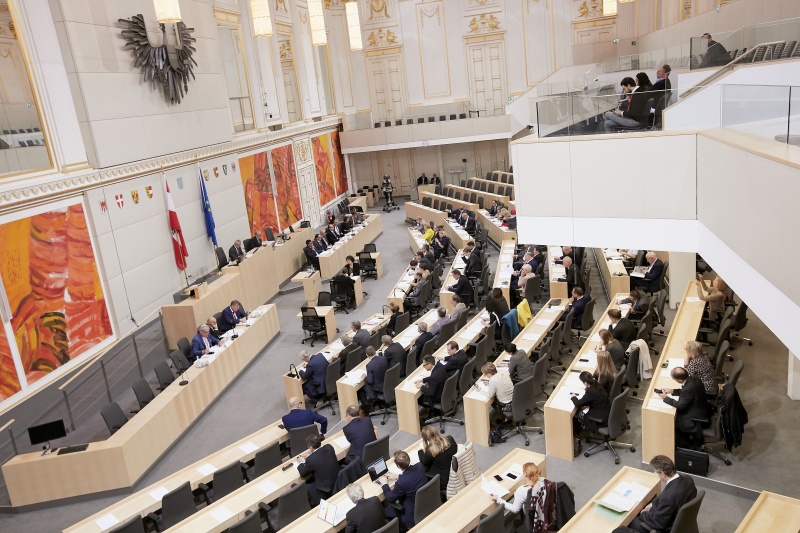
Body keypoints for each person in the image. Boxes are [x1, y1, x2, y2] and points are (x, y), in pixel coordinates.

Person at [612, 455, 697, 533]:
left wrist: (643, 513)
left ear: (663, 474)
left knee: (625, 525)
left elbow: (658, 523)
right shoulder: (688, 479)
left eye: (656, 472)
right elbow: (667, 495)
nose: (655, 474)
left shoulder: (668, 497)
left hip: (665, 527)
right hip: (680, 519)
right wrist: (653, 503)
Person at [657, 367, 712, 447]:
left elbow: (680, 406)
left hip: (695, 416)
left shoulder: (688, 388)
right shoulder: (694, 378)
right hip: (702, 407)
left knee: (671, 422)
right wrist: (673, 391)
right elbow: (688, 393)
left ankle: (683, 445)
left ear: (679, 380)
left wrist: (665, 398)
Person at [490, 463, 548, 532]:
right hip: (545, 512)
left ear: (525, 475)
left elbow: (515, 509)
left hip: (532, 518)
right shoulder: (544, 480)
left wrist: (499, 499)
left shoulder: (521, 490)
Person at [379, 450, 427, 529]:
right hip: (425, 503)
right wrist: (398, 477)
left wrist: (384, 484)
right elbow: (412, 478)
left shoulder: (401, 483)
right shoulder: (420, 466)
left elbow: (390, 498)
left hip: (411, 511)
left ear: (398, 466)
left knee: (382, 512)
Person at [570, 371, 611, 450]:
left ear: (585, 383)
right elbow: (596, 400)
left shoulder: (591, 392)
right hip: (606, 412)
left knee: (577, 414)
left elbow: (577, 403)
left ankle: (576, 435)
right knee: (582, 410)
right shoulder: (597, 385)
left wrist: (573, 396)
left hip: (601, 419)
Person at [296, 434, 340, 506]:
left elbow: (303, 472)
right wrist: (311, 455)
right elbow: (321, 457)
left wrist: (300, 461)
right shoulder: (329, 447)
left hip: (326, 486)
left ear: (310, 447)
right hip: (338, 479)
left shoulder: (311, 459)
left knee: (307, 486)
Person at [417, 425, 457, 492]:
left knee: (422, 469)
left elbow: (423, 461)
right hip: (453, 472)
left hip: (443, 479)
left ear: (426, 439)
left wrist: (420, 449)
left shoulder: (431, 451)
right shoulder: (450, 439)